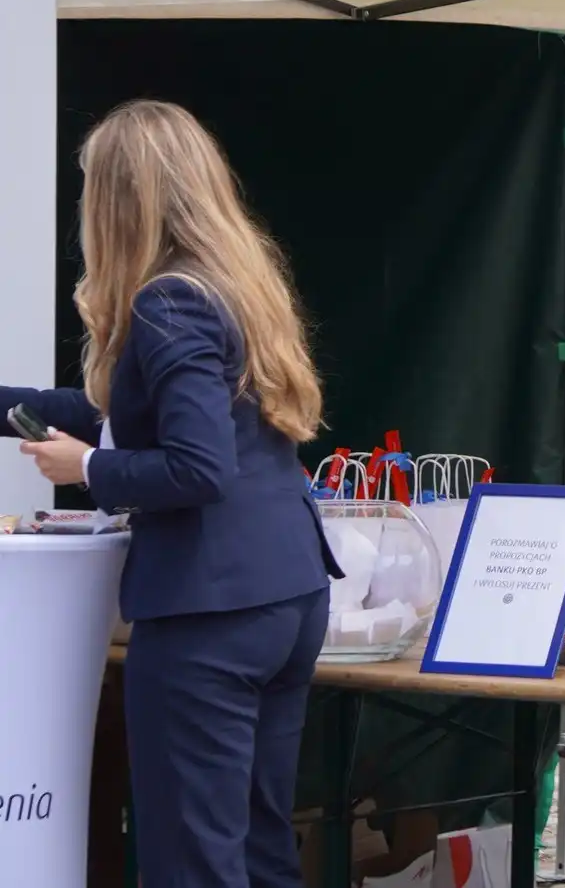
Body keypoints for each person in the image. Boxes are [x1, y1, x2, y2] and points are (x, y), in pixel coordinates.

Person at [2, 99, 341, 888]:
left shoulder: (167, 301)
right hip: (284, 593)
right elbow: (133, 413)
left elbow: (196, 467)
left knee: (193, 859)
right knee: (258, 850)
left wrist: (85, 469)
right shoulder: (235, 284)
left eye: (90, 188)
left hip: (208, 614)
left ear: (123, 199)